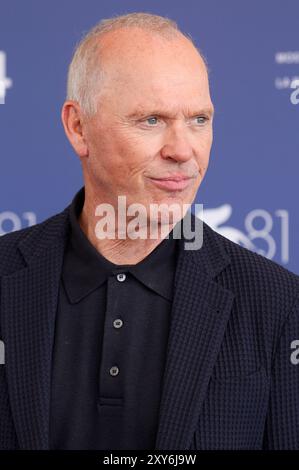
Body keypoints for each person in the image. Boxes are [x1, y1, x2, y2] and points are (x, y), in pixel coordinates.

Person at [0, 12, 299, 450]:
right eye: (151, 120)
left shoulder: (277, 302)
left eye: (199, 119)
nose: (183, 150)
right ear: (78, 127)